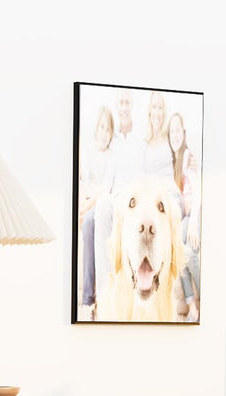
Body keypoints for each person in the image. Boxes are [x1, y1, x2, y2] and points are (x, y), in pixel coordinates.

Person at [93, 92, 146, 312]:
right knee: (103, 206)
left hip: (134, 201)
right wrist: (93, 201)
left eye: (127, 102)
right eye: (120, 103)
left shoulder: (140, 139)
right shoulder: (113, 143)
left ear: (131, 105)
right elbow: (108, 180)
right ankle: (105, 292)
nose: (124, 107)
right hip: (116, 200)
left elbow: (144, 176)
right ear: (117, 106)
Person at [77, 106, 113, 320]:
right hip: (86, 202)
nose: (104, 133)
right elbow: (82, 182)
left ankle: (89, 298)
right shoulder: (87, 152)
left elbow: (105, 187)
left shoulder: (112, 157)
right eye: (102, 127)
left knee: (90, 222)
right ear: (96, 128)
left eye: (108, 130)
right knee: (87, 221)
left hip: (97, 204)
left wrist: (87, 206)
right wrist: (81, 205)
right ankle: (89, 298)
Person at [168, 112, 201, 321]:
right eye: (172, 131)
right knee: (181, 251)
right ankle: (192, 307)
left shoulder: (188, 157)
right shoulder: (173, 162)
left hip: (195, 216)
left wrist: (194, 221)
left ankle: (199, 299)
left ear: (184, 132)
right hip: (184, 219)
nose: (175, 135)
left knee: (187, 251)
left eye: (178, 130)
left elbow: (198, 191)